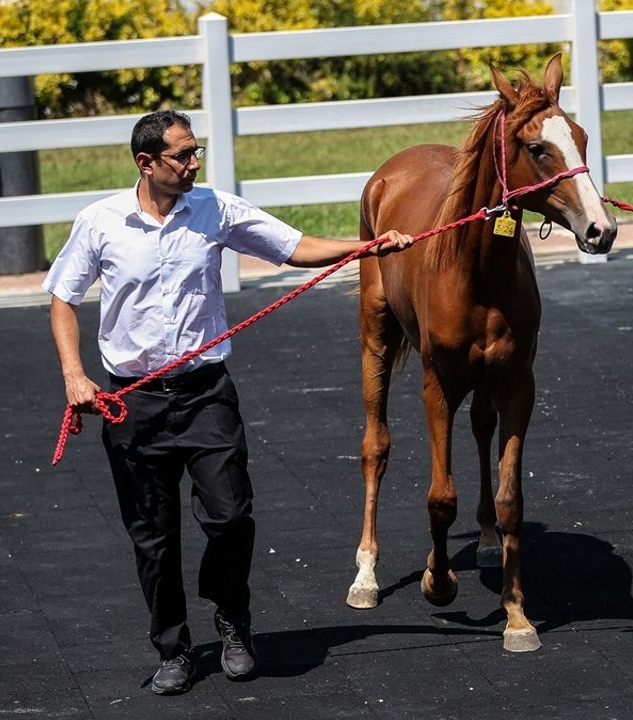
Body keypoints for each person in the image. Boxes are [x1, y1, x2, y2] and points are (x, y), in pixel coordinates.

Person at [43, 109, 413, 695]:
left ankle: (233, 622)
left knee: (231, 518)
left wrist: (370, 246)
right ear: (146, 163)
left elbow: (294, 247)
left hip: (205, 395)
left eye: (196, 152)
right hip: (131, 404)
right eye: (182, 156)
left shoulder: (216, 209)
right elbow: (63, 299)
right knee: (153, 537)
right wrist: (73, 375)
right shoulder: (100, 223)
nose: (194, 164)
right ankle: (173, 648)